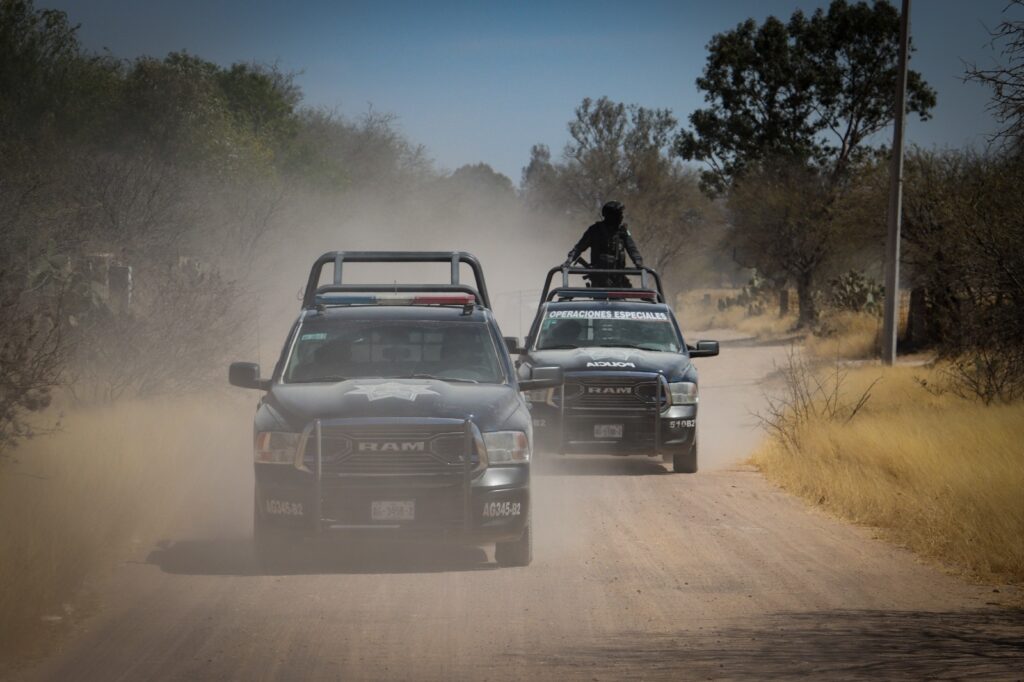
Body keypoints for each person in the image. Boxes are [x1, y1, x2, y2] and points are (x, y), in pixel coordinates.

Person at [563, 200, 644, 287]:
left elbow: (632, 249)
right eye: (618, 214)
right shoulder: (594, 230)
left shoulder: (623, 232)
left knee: (627, 295)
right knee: (599, 297)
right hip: (599, 277)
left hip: (618, 276)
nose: (621, 217)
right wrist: (569, 261)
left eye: (621, 214)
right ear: (610, 216)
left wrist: (638, 262)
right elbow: (578, 248)